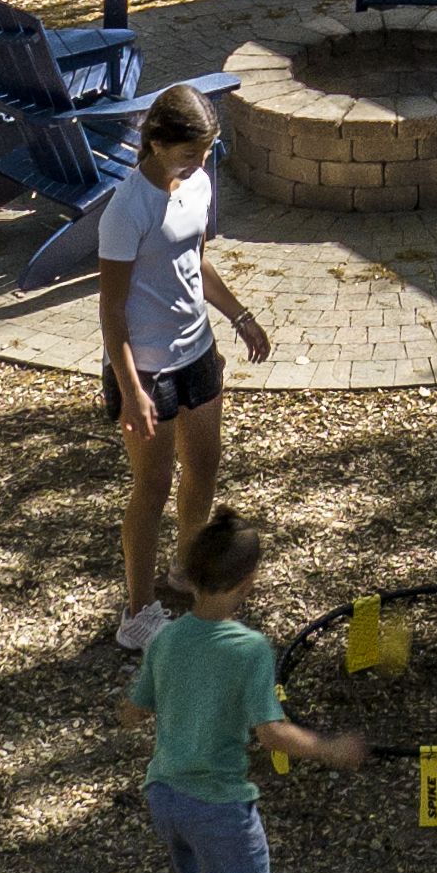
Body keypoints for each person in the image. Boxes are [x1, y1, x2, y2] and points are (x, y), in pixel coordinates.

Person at [125, 501, 365, 873]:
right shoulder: (250, 649)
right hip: (219, 804)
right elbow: (271, 733)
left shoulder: (166, 638)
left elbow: (133, 712)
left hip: (165, 795)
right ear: (248, 583)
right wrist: (329, 749)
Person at [104, 86, 278, 651]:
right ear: (155, 142)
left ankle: (184, 568)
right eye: (188, 153)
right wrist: (132, 391)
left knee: (203, 466)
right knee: (152, 488)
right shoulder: (126, 210)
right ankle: (138, 614)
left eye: (205, 152)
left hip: (196, 351)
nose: (199, 163)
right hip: (147, 369)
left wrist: (239, 314)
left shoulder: (199, 182)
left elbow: (193, 261)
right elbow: (111, 310)